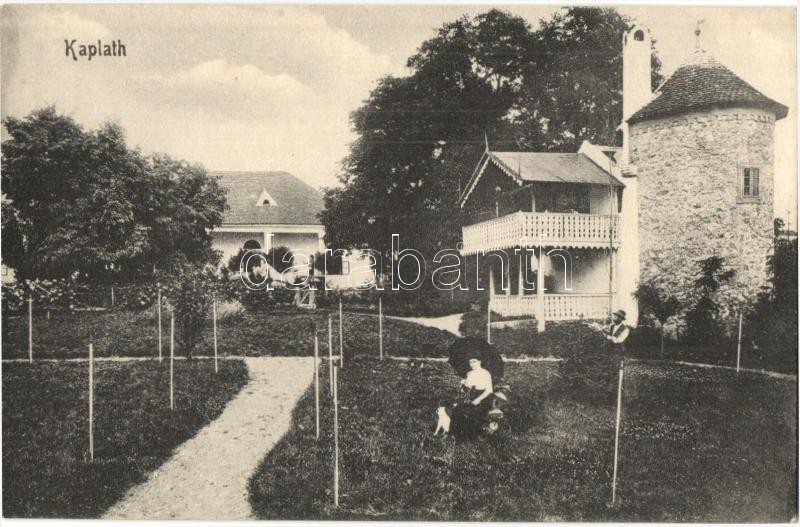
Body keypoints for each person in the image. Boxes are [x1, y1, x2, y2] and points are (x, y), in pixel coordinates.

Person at [450, 352, 494, 439]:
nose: (472, 364)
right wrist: (464, 384)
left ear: (480, 361)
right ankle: (455, 434)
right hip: (472, 396)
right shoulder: (470, 373)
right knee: (457, 410)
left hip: (483, 397)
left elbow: (489, 390)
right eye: (470, 362)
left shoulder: (485, 373)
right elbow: (468, 389)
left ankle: (471, 436)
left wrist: (478, 399)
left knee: (472, 413)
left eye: (474, 361)